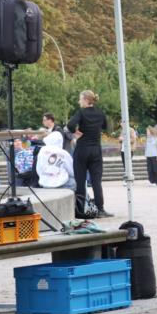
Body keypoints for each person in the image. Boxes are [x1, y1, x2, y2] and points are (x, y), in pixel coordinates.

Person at [67, 89, 112, 218]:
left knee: (80, 180)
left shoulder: (81, 112)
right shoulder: (100, 112)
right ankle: (100, 209)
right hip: (96, 150)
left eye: (80, 99)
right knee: (96, 181)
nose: (79, 101)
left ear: (86, 100)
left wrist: (76, 132)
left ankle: (82, 210)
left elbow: (70, 125)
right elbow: (106, 127)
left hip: (82, 149)